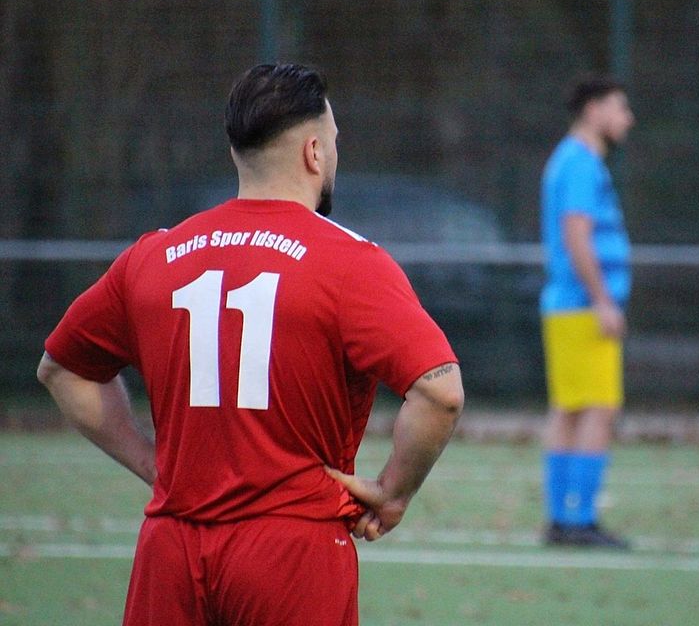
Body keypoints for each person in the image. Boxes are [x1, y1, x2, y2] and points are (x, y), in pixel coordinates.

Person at [36, 63, 463, 626]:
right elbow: (440, 393)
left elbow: (61, 369)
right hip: (291, 553)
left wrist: (151, 462)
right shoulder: (349, 262)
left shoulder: (155, 253)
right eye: (334, 142)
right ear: (314, 152)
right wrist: (393, 491)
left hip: (170, 551)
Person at [539, 74, 635, 549]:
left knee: (573, 411)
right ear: (593, 110)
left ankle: (563, 519)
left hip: (569, 307)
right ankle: (578, 519)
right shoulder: (579, 163)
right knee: (597, 409)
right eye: (620, 108)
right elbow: (576, 235)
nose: (627, 119)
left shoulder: (574, 160)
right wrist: (602, 299)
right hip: (580, 307)